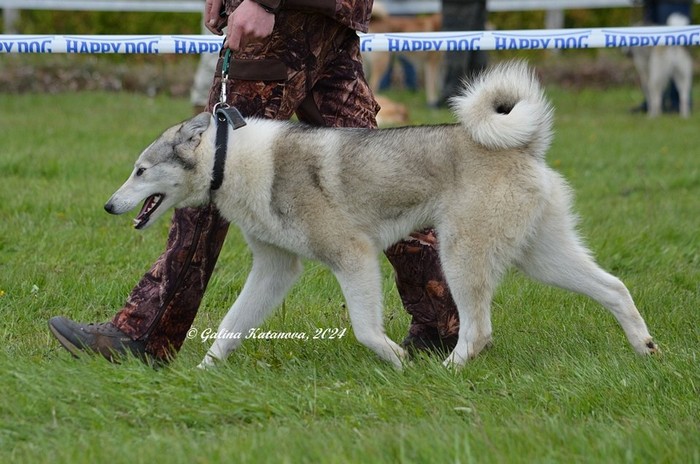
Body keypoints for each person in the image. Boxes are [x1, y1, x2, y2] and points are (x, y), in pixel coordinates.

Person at [48, 0, 460, 364]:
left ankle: (143, 331)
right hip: (334, 13)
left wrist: (261, 2)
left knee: (205, 172)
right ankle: (444, 322)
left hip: (284, 18)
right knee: (376, 180)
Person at [437, 0, 488, 106]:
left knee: (478, 61)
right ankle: (451, 98)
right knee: (457, 62)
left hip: (472, 9)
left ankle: (476, 97)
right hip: (457, 10)